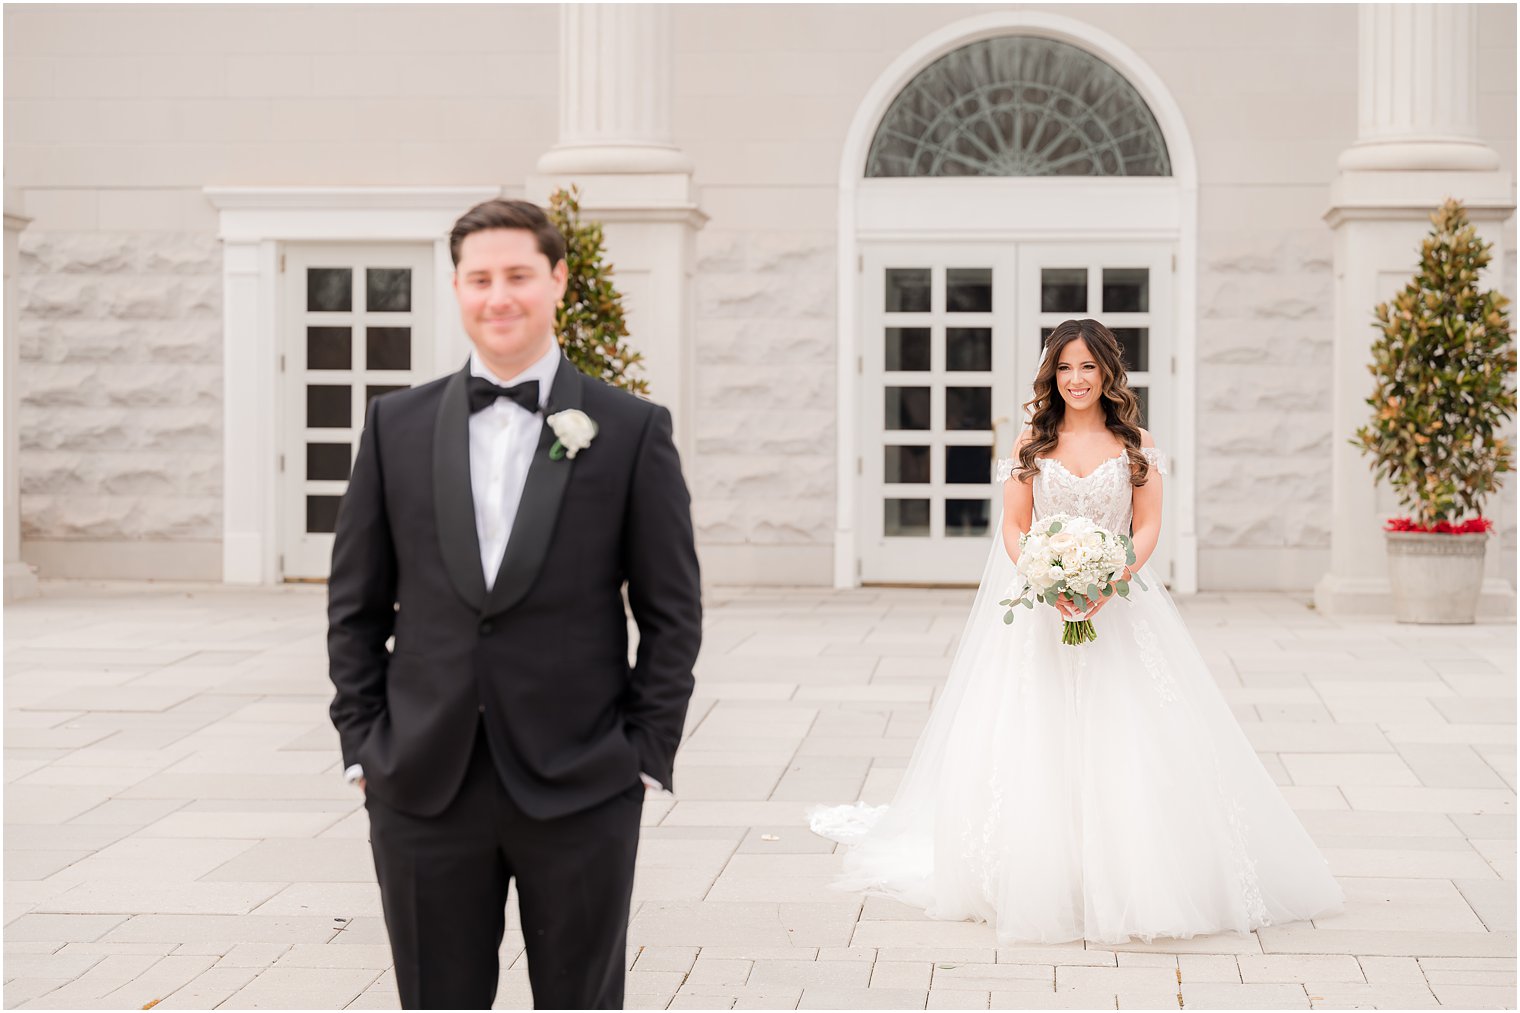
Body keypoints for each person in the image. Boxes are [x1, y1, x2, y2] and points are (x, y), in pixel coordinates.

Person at [809, 318, 1342, 944]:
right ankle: (1037, 874)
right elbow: (1012, 527)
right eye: (1065, 368)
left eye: (1088, 367)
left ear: (1108, 373)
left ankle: (1133, 873)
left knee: (1130, 738)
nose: (1076, 379)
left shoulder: (1137, 445)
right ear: (1051, 375)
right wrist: (1045, 576)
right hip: (1039, 610)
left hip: (1121, 607)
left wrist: (1112, 578)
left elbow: (1147, 526)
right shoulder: (1034, 446)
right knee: (1034, 737)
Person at [327, 198, 702, 1009]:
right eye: (480, 278)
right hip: (422, 781)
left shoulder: (630, 428)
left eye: (519, 276)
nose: (499, 296)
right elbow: (354, 604)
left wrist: (642, 751)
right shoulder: (394, 424)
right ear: (457, 287)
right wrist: (363, 745)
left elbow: (673, 609)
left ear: (559, 280)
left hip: (582, 779)